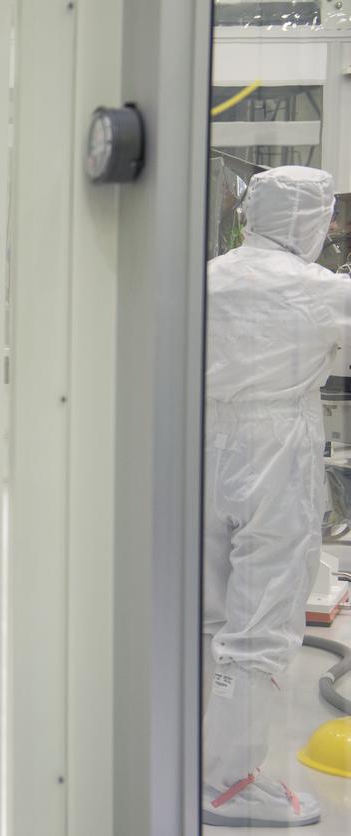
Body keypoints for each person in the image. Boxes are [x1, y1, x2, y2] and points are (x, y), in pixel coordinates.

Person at [201, 166, 351, 827]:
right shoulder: (323, 289)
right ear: (310, 220)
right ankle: (229, 784)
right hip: (274, 449)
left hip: (199, 444)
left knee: (207, 613)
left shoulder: (206, 276)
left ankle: (195, 755)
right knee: (261, 625)